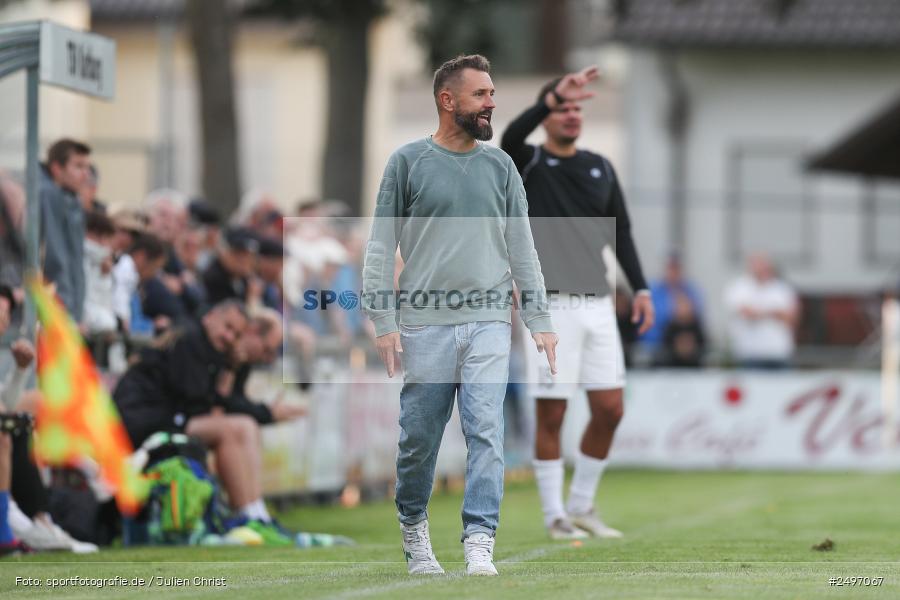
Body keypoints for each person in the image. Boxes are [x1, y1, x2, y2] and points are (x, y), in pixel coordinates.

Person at [362, 54, 557, 576]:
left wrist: (538, 319)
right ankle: (413, 526)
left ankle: (479, 539)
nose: (491, 102)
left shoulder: (501, 167)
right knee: (418, 440)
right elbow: (380, 245)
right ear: (448, 101)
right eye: (481, 95)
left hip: (491, 320)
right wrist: (383, 321)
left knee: (487, 429)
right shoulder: (406, 162)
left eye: (493, 93)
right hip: (423, 323)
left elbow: (523, 248)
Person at [501, 66, 654, 540]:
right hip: (552, 308)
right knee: (554, 414)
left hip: (598, 306)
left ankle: (583, 505)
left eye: (575, 109)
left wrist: (641, 287)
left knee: (610, 409)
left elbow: (621, 231)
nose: (570, 115)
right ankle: (554, 515)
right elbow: (510, 135)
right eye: (561, 108)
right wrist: (548, 98)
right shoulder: (525, 162)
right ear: (547, 116)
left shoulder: (600, 166)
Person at [40, 139, 91, 322]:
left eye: (87, 167)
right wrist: (67, 312)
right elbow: (56, 258)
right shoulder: (48, 195)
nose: (85, 175)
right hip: (55, 310)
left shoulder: (71, 200)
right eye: (78, 166)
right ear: (56, 168)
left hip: (66, 308)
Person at [724, 253, 799, 369]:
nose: (762, 268)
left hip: (779, 353)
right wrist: (774, 312)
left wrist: (761, 312)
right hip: (750, 353)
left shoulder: (782, 288)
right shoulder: (739, 287)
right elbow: (748, 314)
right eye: (758, 264)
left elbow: (792, 317)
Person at [642, 252, 704, 352]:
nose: (674, 272)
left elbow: (698, 317)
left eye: (677, 268)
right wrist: (675, 314)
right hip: (656, 347)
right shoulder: (652, 290)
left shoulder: (691, 290)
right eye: (671, 267)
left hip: (685, 349)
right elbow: (651, 319)